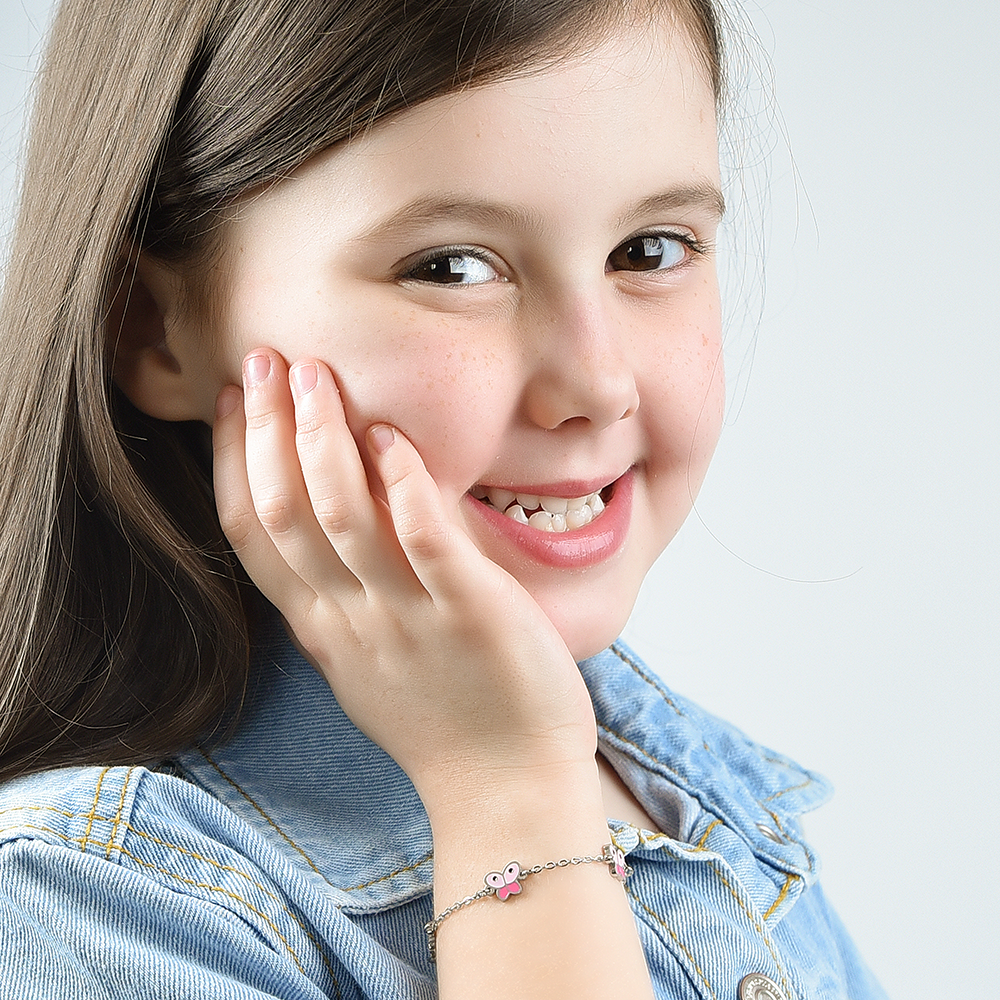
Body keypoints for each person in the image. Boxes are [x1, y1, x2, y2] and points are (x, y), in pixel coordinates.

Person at [0, 1, 888, 997]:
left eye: (649, 250)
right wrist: (507, 797)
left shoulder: (693, 798)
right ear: (153, 332)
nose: (597, 385)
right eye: (452, 267)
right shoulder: (87, 908)